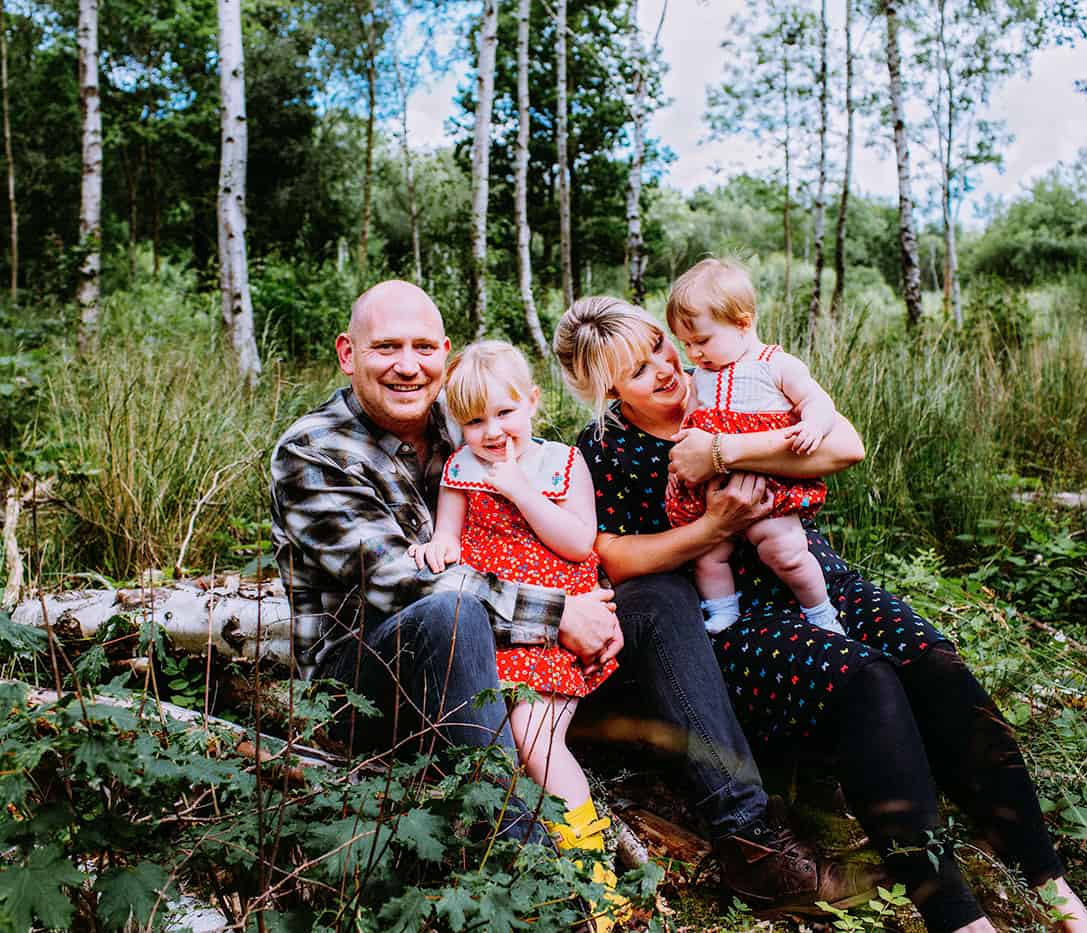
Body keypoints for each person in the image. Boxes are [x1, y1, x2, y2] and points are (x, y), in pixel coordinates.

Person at [270, 280, 879, 917]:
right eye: (385, 347)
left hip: (516, 664)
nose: (406, 364)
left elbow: (554, 525)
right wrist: (560, 614)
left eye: (423, 347)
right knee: (450, 616)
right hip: (378, 682)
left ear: (446, 357)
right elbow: (397, 583)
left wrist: (591, 593)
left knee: (657, 594)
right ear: (346, 353)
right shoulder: (316, 450)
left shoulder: (469, 421)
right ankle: (539, 876)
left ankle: (752, 842)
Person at [554, 295, 1087, 933]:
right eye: (635, 370)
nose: (663, 368)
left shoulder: (732, 382)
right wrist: (710, 527)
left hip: (816, 580)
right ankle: (955, 914)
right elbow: (612, 557)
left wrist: (724, 453)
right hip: (731, 615)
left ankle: (1053, 887)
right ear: (600, 390)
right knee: (865, 680)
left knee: (933, 664)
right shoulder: (601, 450)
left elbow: (843, 444)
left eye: (658, 346)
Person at [412, 340, 623, 925]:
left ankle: (593, 872)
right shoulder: (460, 469)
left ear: (531, 401)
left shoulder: (558, 463)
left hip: (554, 622)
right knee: (495, 735)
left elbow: (580, 542)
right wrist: (437, 545)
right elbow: (450, 539)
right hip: (495, 620)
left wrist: (522, 494)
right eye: (474, 420)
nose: (491, 431)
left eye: (504, 413)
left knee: (535, 739)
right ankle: (520, 867)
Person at [663, 258, 841, 636]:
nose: (694, 354)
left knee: (786, 552)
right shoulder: (701, 378)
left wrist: (812, 424)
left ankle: (821, 612)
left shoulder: (775, 364)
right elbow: (688, 425)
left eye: (703, 341)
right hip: (713, 493)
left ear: (743, 323)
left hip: (768, 487)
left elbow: (818, 402)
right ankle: (723, 611)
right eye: (686, 344)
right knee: (709, 558)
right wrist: (675, 468)